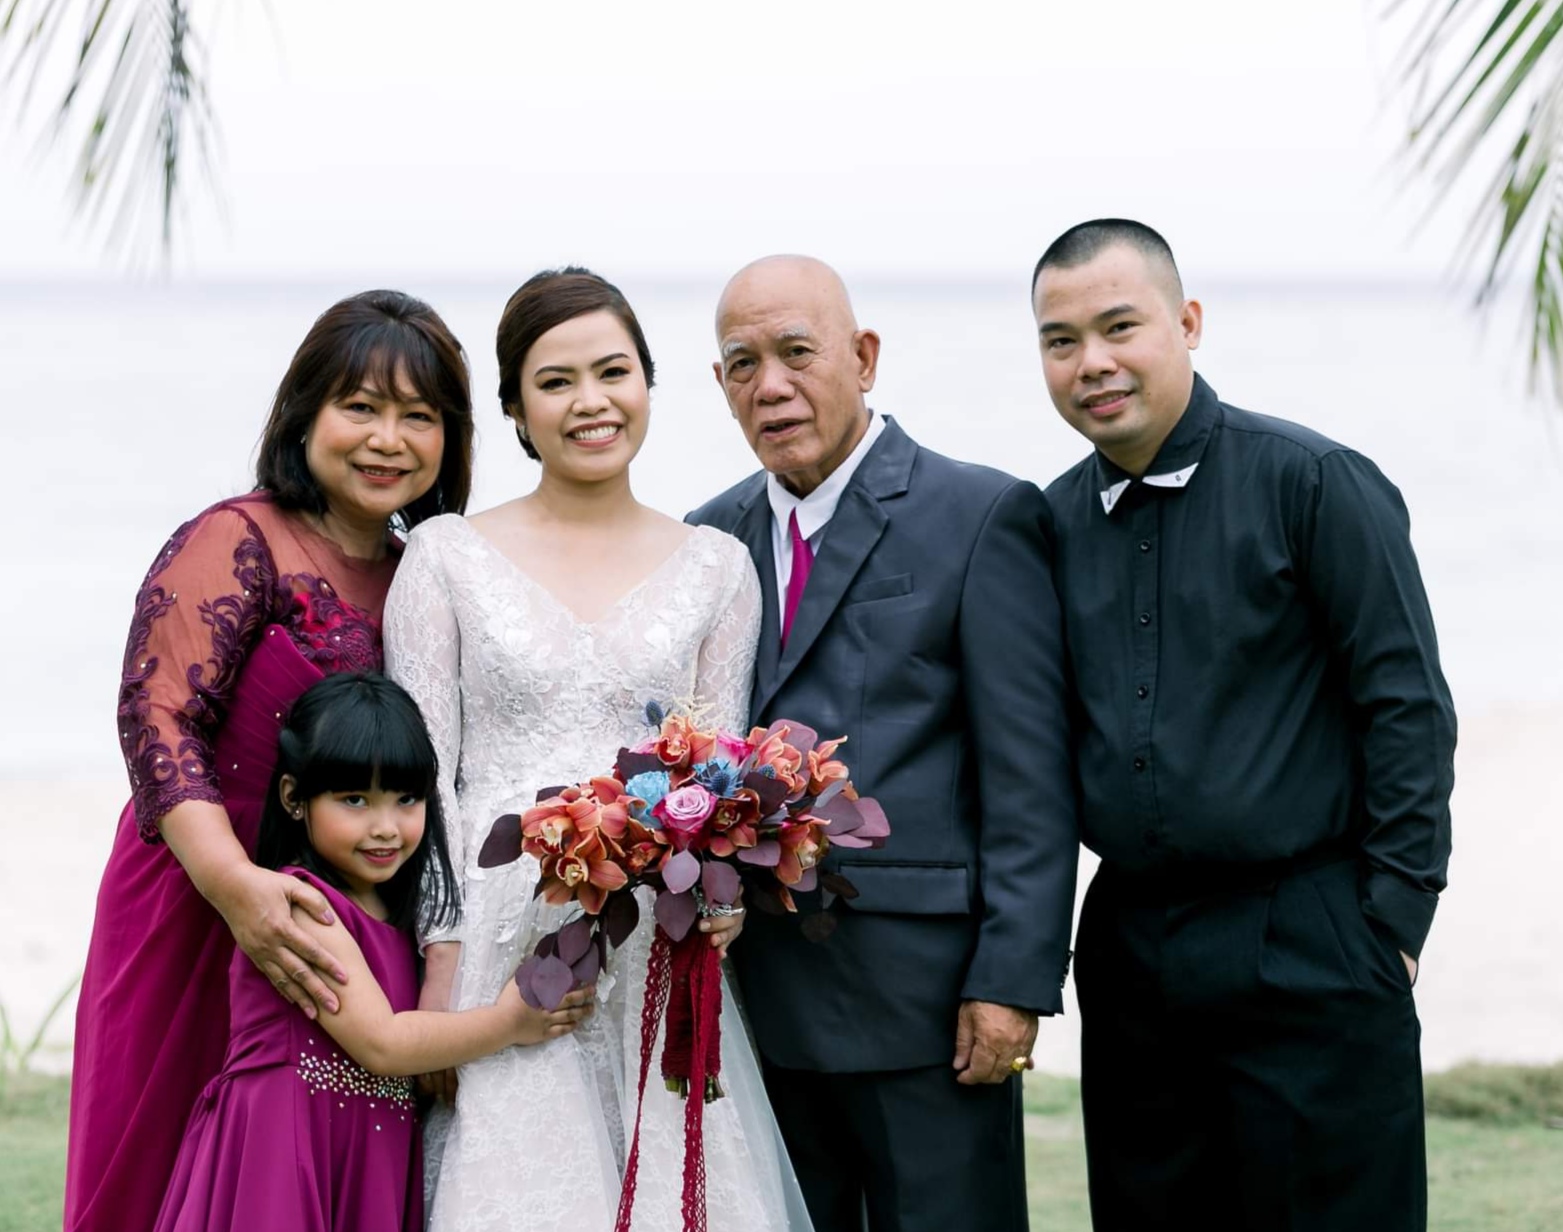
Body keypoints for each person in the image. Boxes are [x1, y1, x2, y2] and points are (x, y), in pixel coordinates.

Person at [1032, 218, 1456, 1232]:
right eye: (1060, 340)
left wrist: (1392, 925)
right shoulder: (1047, 524)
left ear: (1186, 322)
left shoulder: (1314, 481)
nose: (1092, 363)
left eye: (1119, 326)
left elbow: (1407, 706)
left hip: (1312, 936)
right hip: (1132, 952)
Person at [384, 266, 809, 1232]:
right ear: (515, 410)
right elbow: (424, 780)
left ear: (648, 383)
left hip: (652, 937)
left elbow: (714, 776)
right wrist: (441, 961)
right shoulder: (444, 556)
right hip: (495, 938)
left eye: (612, 372)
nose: (590, 402)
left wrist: (721, 903)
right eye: (555, 381)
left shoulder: (717, 568)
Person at [66, 289, 476, 1232]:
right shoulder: (237, 536)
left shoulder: (427, 573)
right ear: (304, 413)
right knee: (154, 1164)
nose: (387, 440)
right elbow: (157, 718)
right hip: (193, 896)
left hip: (346, 917)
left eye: (419, 416)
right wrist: (236, 888)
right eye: (360, 407)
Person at [687, 255, 1078, 1232]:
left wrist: (1010, 982)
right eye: (743, 364)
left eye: (797, 352)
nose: (770, 385)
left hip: (928, 1006)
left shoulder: (980, 514)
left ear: (863, 358)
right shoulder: (707, 541)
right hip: (757, 1002)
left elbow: (1029, 778)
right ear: (721, 385)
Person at [153, 672, 595, 1232]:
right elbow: (383, 1043)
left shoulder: (396, 912)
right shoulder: (302, 906)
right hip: (284, 1150)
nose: (385, 827)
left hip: (366, 1153)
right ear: (294, 798)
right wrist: (509, 1023)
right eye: (355, 800)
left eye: (406, 799)